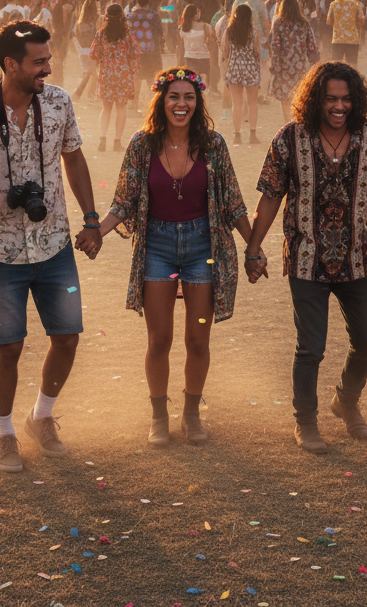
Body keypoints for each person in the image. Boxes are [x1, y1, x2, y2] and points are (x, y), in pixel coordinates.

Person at [0, 20, 102, 473]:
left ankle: (41, 417)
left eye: (48, 58)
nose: (48, 68)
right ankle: (4, 432)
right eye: (39, 61)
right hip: (0, 248)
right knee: (8, 347)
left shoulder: (59, 102)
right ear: (10, 64)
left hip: (55, 243)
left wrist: (91, 219)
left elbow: (74, 158)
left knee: (67, 338)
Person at [97, 67, 262, 445]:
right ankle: (158, 415)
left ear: (198, 101)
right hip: (156, 246)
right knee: (159, 340)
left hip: (202, 249)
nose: (181, 104)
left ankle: (191, 414)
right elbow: (123, 200)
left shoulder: (214, 146)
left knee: (198, 341)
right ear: (161, 100)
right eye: (174, 96)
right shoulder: (142, 145)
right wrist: (96, 232)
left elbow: (234, 203)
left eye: (189, 97)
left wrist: (254, 250)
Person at [245, 62, 367, 454]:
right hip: (306, 258)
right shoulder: (290, 138)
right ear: (316, 100)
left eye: (347, 99)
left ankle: (346, 402)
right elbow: (271, 195)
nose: (339, 107)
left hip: (357, 257)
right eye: (331, 99)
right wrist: (253, 247)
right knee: (311, 346)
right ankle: (306, 422)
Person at [90, 3, 141, 152]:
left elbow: (93, 54)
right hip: (123, 75)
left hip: (106, 75)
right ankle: (117, 142)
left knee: (105, 108)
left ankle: (102, 139)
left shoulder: (100, 34)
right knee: (121, 108)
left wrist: (105, 58)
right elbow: (136, 52)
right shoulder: (128, 35)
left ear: (106, 17)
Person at [268, 0, 319, 122]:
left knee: (285, 99)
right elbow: (312, 45)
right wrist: (315, 63)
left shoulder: (278, 23)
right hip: (300, 67)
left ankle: (287, 123)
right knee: (300, 96)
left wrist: (274, 66)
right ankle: (298, 122)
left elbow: (275, 46)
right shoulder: (304, 23)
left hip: (283, 67)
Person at [221, 2, 262, 146]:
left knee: (236, 104)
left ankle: (237, 135)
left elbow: (225, 53)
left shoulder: (229, 32)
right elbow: (257, 52)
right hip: (250, 68)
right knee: (252, 104)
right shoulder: (254, 32)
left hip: (235, 68)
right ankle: (252, 134)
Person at [128, 0, 165, 112]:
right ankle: (157, 107)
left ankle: (134, 107)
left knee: (137, 79)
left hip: (136, 52)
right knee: (152, 79)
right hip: (152, 52)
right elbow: (160, 33)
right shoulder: (154, 15)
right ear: (149, 1)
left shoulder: (131, 15)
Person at [176, 3, 217, 88]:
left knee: (192, 83)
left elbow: (180, 47)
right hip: (205, 58)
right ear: (195, 15)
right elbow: (215, 39)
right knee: (204, 84)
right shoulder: (206, 26)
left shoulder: (181, 28)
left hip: (189, 58)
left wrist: (179, 62)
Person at [326, 0, 364, 65]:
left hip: (337, 39)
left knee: (335, 67)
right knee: (352, 66)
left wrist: (339, 25)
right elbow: (361, 20)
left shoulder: (334, 4)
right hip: (353, 40)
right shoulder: (357, 4)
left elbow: (329, 21)